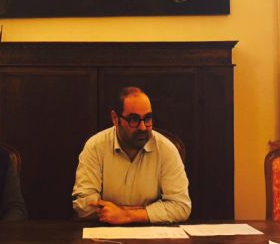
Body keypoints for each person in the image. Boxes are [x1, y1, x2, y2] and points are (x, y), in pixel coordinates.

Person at [72, 87, 191, 224]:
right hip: (105, 230)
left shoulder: (166, 149)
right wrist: (148, 210)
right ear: (115, 118)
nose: (143, 127)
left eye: (147, 118)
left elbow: (181, 207)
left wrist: (126, 214)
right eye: (133, 120)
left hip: (151, 233)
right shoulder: (95, 147)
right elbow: (84, 205)